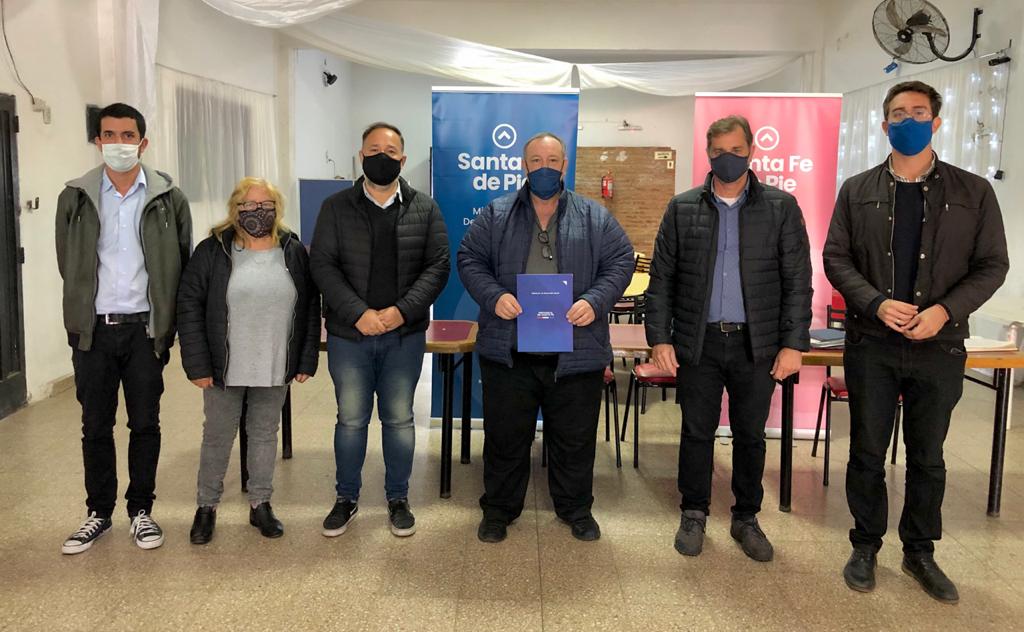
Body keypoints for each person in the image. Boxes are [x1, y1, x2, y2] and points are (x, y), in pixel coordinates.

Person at [824, 81, 1008, 603]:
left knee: (928, 455)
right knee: (866, 450)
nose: (909, 121)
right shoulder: (857, 189)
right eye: (899, 114)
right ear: (884, 125)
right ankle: (865, 545)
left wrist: (945, 311)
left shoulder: (974, 192)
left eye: (919, 112)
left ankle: (920, 551)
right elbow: (836, 257)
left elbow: (993, 265)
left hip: (939, 344)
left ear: (937, 122)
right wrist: (876, 303)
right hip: (872, 342)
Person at [645, 115, 811, 562]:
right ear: (708, 154)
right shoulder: (682, 208)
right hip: (697, 342)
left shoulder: (781, 207)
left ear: (751, 151)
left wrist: (794, 343)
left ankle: (746, 517)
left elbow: (798, 280)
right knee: (696, 431)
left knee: (750, 434)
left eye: (737, 151)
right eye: (719, 152)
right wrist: (660, 338)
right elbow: (661, 279)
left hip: (757, 345)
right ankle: (693, 512)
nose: (728, 159)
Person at [458, 131, 634, 544]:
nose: (544, 168)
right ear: (524, 165)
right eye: (536, 161)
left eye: (552, 161)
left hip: (575, 353)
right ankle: (498, 510)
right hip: (510, 351)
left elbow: (621, 261)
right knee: (505, 438)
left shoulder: (594, 217)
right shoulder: (496, 214)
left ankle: (576, 509)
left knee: (574, 439)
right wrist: (494, 295)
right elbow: (469, 258)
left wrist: (595, 300)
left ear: (564, 166)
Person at [55, 102, 192, 554]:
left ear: (142, 142)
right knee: (95, 425)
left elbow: (181, 261)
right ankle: (98, 513)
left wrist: (167, 325)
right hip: (92, 331)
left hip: (144, 332)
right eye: (109, 135)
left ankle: (141, 511)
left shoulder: (169, 198)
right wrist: (80, 316)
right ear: (98, 141)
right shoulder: (74, 197)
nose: (119, 143)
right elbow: (68, 263)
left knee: (145, 423)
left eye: (127, 135)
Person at [310, 122, 450, 538]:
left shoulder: (425, 208)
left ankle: (398, 498)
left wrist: (401, 312)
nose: (381, 158)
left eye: (390, 152)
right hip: (349, 335)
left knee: (399, 419)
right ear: (361, 156)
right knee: (351, 421)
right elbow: (322, 265)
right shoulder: (335, 207)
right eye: (373, 150)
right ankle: (346, 498)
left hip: (403, 336)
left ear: (403, 159)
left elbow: (438, 266)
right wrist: (358, 313)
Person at [176, 177, 321, 543]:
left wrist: (306, 359)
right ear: (235, 209)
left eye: (266, 205)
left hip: (274, 362)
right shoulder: (213, 250)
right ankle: (206, 506)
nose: (258, 212)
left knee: (264, 435)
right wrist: (197, 365)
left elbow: (308, 306)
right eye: (249, 205)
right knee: (217, 437)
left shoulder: (292, 250)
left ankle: (260, 503)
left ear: (277, 208)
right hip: (224, 366)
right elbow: (189, 305)